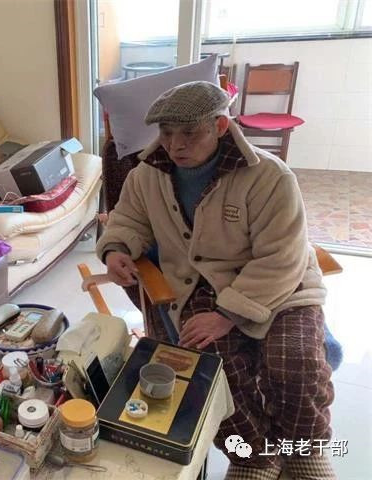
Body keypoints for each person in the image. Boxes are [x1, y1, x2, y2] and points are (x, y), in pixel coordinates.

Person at [97, 82, 335, 480]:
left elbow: (282, 258)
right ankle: (254, 457)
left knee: (296, 361)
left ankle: (304, 450)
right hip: (199, 284)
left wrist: (227, 314)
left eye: (190, 132)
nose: (175, 145)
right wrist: (116, 248)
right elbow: (127, 220)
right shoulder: (146, 175)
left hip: (281, 285)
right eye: (167, 132)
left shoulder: (270, 176)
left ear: (221, 126)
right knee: (209, 368)